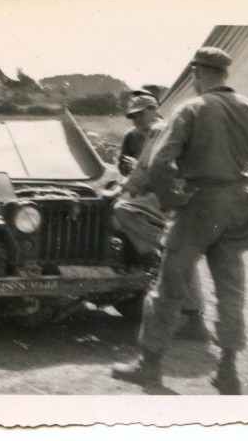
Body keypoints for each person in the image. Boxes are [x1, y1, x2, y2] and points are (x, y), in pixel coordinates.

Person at [111, 47, 248, 394]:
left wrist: (172, 200)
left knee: (168, 286)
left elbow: (158, 163)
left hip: (197, 206)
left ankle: (148, 366)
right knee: (231, 290)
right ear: (225, 74)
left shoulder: (190, 109)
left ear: (196, 73)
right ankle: (228, 370)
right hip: (236, 206)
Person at [107, 93, 209, 341]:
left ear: (154, 109)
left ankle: (156, 248)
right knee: (178, 257)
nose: (136, 120)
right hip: (187, 198)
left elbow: (145, 168)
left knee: (122, 209)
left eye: (141, 113)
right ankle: (195, 320)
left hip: (169, 198)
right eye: (132, 116)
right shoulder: (165, 129)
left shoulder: (158, 129)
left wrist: (122, 190)